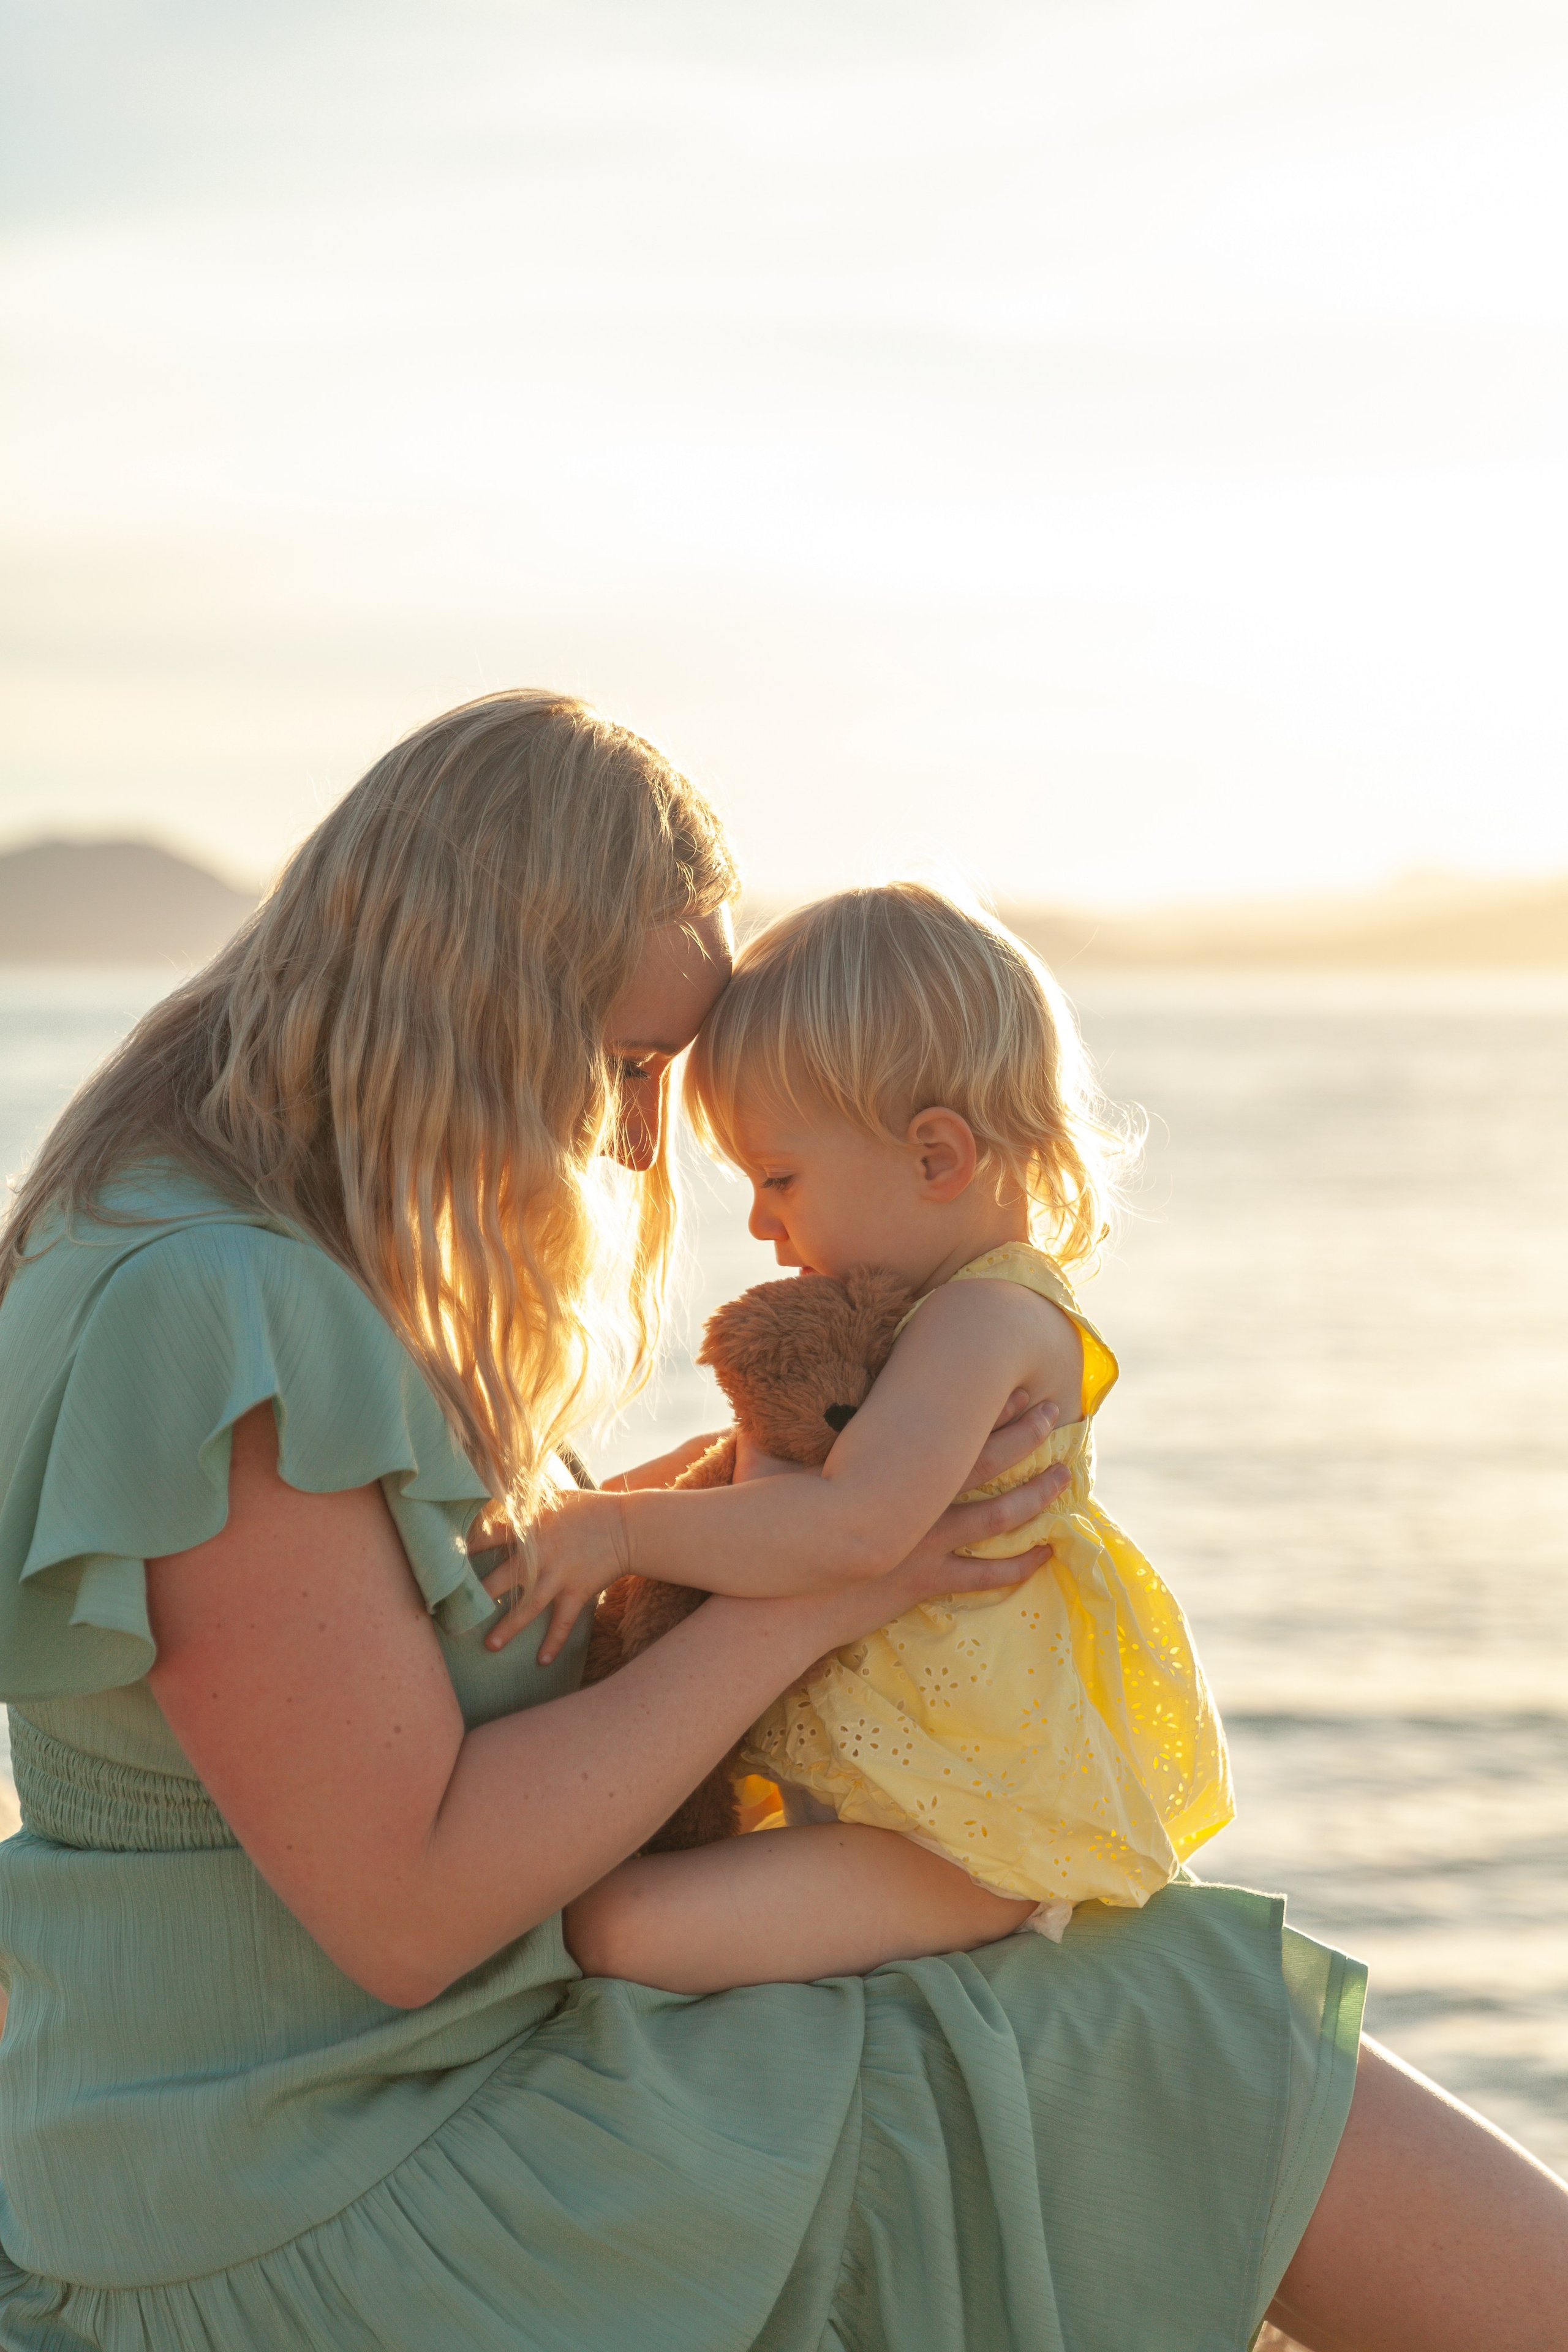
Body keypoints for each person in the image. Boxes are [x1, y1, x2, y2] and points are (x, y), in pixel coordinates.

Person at [0, 692, 1559, 2352]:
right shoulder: (210, 1305)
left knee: (1151, 2005)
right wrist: (844, 1577)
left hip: (342, 2113)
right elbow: (408, 1904)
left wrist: (724, 1508)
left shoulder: (211, 1253)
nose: (631, 1139)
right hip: (319, 2187)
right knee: (1195, 2020)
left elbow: (391, 1648)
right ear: (479, 1007)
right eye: (626, 1064)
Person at [504, 880, 1235, 1989]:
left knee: (617, 1926)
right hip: (903, 1787)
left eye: (780, 1177)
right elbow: (743, 1487)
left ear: (936, 1157)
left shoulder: (987, 1320)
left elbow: (850, 1528)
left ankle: (1001, 1934)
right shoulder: (927, 1319)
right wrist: (551, 1501)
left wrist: (611, 1533)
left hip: (973, 1831)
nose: (760, 1220)